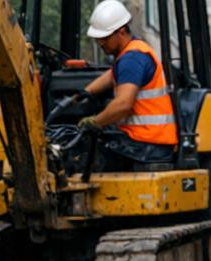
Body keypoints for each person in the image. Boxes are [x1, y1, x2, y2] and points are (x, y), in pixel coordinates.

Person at [71, 0, 177, 169]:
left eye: (104, 38)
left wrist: (94, 122)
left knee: (87, 153)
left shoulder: (132, 59)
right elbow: (112, 74)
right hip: (150, 141)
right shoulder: (134, 50)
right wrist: (84, 93)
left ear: (121, 32)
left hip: (146, 145)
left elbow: (123, 105)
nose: (101, 43)